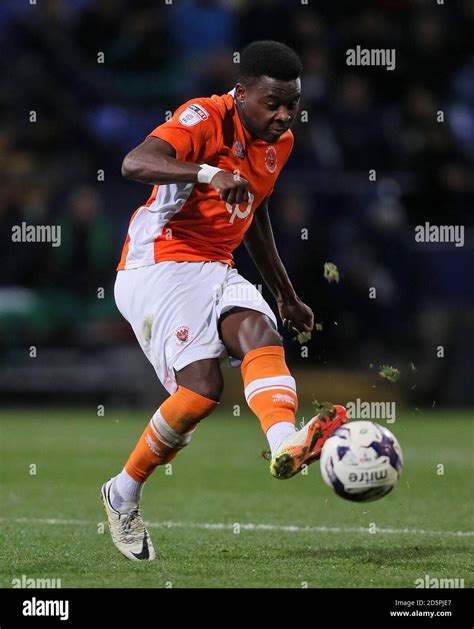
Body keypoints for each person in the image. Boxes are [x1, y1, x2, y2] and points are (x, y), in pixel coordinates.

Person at [101, 40, 347, 561]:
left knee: (262, 333)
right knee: (203, 389)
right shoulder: (204, 116)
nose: (283, 116)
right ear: (242, 94)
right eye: (273, 104)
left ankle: (284, 442)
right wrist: (211, 172)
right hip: (158, 261)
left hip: (215, 263)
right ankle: (122, 492)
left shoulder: (281, 144)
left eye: (292, 106)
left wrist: (285, 292)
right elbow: (134, 162)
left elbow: (253, 211)